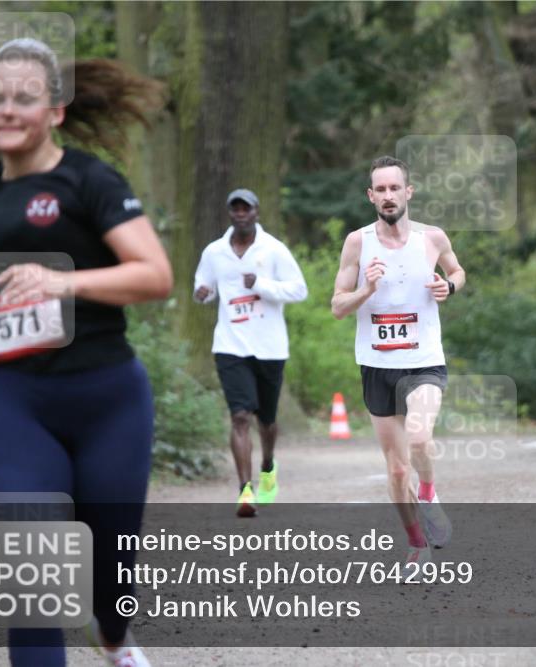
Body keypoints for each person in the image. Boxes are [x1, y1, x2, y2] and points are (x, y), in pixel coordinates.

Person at [0, 38, 170, 667]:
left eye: (24, 98)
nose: (6, 109)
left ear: (55, 111)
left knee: (110, 582)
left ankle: (113, 638)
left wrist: (67, 281)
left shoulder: (90, 181)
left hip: (104, 398)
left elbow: (154, 274)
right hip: (10, 401)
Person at [331, 156, 466, 573]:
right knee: (394, 471)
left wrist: (449, 286)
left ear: (409, 192)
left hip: (423, 360)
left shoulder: (432, 239)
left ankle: (429, 493)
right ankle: (415, 544)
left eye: (395, 188)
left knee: (420, 437)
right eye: (381, 190)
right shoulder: (357, 243)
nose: (388, 196)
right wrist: (366, 289)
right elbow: (337, 306)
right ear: (371, 196)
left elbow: (458, 271)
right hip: (376, 365)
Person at [193, 189, 308, 516]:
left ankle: (268, 465)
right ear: (230, 214)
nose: (241, 214)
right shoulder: (214, 252)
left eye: (246, 209)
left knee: (266, 420)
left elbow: (299, 290)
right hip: (230, 344)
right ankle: (245, 490)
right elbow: (202, 286)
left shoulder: (273, 250)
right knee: (240, 416)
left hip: (269, 346)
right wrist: (202, 293)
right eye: (235, 209)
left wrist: (260, 284)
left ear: (257, 211)